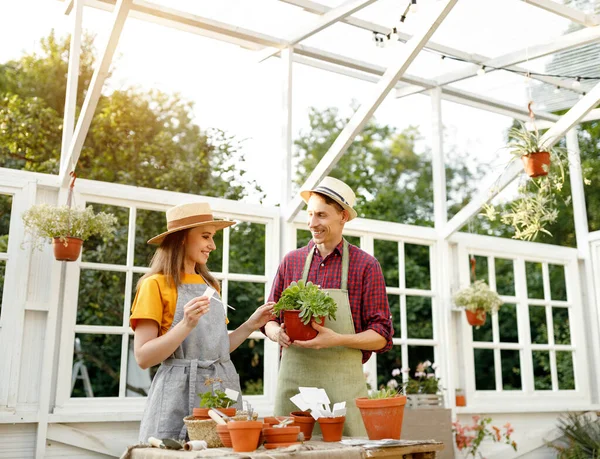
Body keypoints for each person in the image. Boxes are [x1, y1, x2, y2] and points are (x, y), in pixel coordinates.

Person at [130, 202, 275, 442]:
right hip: (177, 396)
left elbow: (216, 349)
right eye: (205, 236)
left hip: (219, 390)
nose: (212, 245)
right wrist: (185, 324)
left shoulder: (210, 286)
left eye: (213, 237)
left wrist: (250, 325)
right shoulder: (154, 285)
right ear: (182, 238)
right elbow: (144, 357)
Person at [264, 176, 394, 436]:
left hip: (343, 391)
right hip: (294, 389)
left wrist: (336, 339)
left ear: (342, 216)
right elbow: (268, 318)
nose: (312, 223)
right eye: (310, 214)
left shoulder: (365, 265)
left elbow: (381, 337)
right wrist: (276, 332)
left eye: (321, 215)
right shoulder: (291, 262)